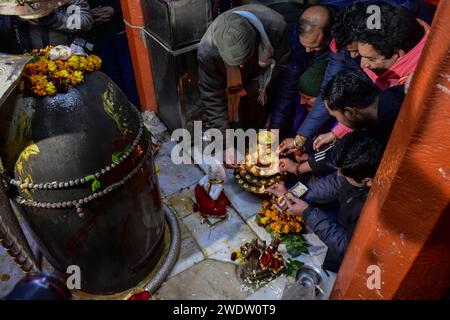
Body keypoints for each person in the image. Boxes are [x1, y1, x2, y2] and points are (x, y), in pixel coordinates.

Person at [268, 131, 384, 272]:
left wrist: (307, 212)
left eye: (343, 172)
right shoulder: (357, 167)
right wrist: (291, 193)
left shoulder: (371, 211)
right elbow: (334, 183)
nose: (339, 173)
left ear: (368, 181)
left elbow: (347, 247)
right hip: (337, 222)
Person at [197, 4, 290, 132]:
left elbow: (280, 64)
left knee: (257, 120)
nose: (241, 66)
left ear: (256, 40)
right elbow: (212, 96)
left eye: (245, 59)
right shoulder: (208, 52)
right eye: (235, 63)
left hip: (262, 81)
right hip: (229, 86)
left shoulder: (275, 28)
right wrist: (226, 141)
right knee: (233, 127)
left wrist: (250, 88)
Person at [269, 5, 333, 135]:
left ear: (331, 37)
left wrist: (301, 140)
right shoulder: (296, 40)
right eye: (305, 45)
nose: (308, 51)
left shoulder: (345, 45)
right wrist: (273, 129)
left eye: (314, 47)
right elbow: (288, 86)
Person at [87, 0, 140, 107]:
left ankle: (138, 110)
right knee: (111, 78)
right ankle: (123, 111)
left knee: (130, 76)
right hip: (98, 36)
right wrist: (88, 14)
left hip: (123, 31)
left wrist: (115, 9)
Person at [0, 0, 93, 54]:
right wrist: (16, 17)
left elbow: (86, 21)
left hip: (66, 58)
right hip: (27, 60)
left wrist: (54, 19)